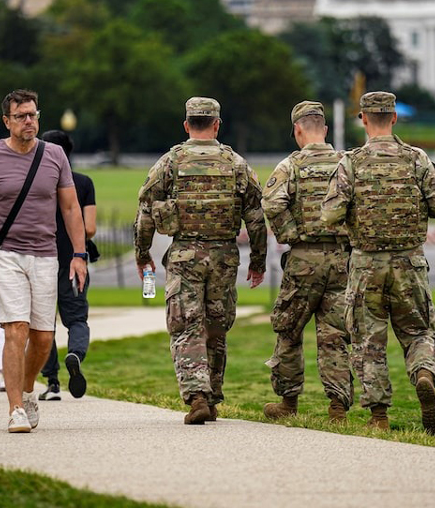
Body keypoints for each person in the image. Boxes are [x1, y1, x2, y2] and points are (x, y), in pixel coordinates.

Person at [321, 91, 435, 435]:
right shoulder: (416, 159)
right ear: (394, 118)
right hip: (410, 261)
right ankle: (423, 373)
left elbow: (330, 213)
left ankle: (379, 415)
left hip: (366, 264)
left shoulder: (351, 162)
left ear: (363, 119)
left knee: (369, 341)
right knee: (419, 330)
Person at [135, 96, 267, 425]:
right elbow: (256, 217)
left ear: (186, 124)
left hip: (184, 256)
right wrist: (259, 261)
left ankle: (197, 396)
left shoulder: (170, 162)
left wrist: (143, 254)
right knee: (216, 327)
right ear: (217, 125)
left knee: (185, 326)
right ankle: (212, 396)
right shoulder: (236, 163)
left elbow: (146, 212)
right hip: (224, 256)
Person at [0, 89, 88, 434]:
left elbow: (69, 208)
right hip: (7, 255)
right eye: (21, 116)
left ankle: (29, 389)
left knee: (44, 338)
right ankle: (15, 407)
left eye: (33, 115)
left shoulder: (55, 155)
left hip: (46, 254)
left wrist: (78, 255)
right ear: (7, 121)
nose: (29, 121)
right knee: (14, 329)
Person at [260, 101, 353, 423]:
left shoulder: (291, 165)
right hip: (343, 259)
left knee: (289, 330)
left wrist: (290, 233)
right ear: (324, 130)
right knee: (336, 335)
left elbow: (272, 202)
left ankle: (288, 402)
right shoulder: (347, 163)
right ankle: (338, 406)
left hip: (303, 260)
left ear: (297, 130)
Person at [37, 129, 97, 401]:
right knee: (76, 318)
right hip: (73, 259)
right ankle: (75, 352)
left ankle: (52, 382)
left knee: (42, 322)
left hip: (43, 258)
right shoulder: (83, 183)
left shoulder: (39, 182)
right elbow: (91, 228)